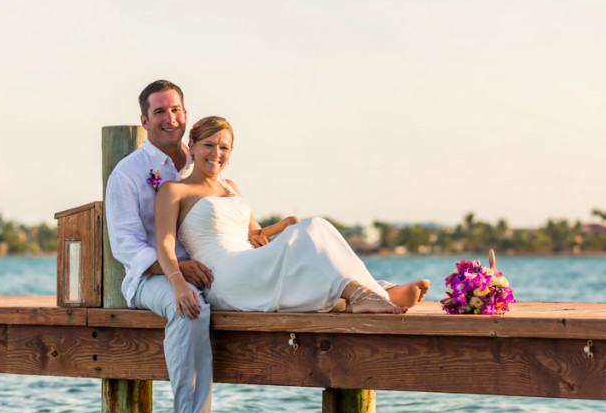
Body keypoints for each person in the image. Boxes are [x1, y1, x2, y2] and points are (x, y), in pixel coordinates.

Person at [154, 115, 429, 320]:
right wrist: (178, 285)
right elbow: (164, 245)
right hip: (223, 275)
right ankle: (371, 294)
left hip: (247, 260)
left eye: (224, 148)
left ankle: (365, 295)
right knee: (311, 233)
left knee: (317, 227)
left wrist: (285, 225)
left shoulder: (231, 188)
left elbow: (255, 235)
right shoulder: (174, 190)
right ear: (191, 145)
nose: (216, 154)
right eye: (208, 145)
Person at [105, 80, 214, 413]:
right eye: (160, 112)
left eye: (176, 109)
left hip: (208, 268)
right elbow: (126, 247)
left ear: (186, 113)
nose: (170, 119)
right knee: (191, 309)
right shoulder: (129, 173)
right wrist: (177, 271)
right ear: (144, 120)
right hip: (150, 279)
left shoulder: (202, 159)